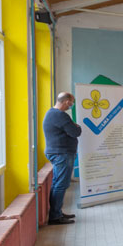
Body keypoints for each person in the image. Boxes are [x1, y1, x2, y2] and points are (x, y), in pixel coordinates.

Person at [43, 92, 82, 225]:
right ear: (67, 102)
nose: (72, 105)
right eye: (72, 102)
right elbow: (75, 132)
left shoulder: (51, 113)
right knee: (61, 185)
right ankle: (55, 216)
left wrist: (73, 126)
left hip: (58, 153)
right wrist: (77, 126)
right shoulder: (60, 115)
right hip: (62, 153)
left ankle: (57, 212)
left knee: (57, 184)